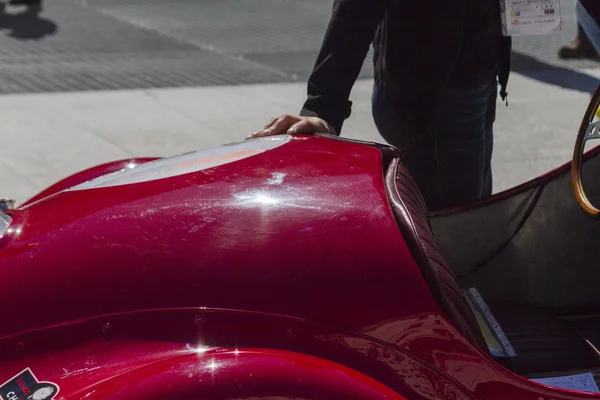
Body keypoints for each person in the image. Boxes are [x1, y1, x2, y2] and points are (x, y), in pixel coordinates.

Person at [248, 0, 511, 211]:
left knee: (472, 214)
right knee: (454, 233)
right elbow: (354, 11)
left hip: (480, 69)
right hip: (435, 94)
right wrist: (323, 107)